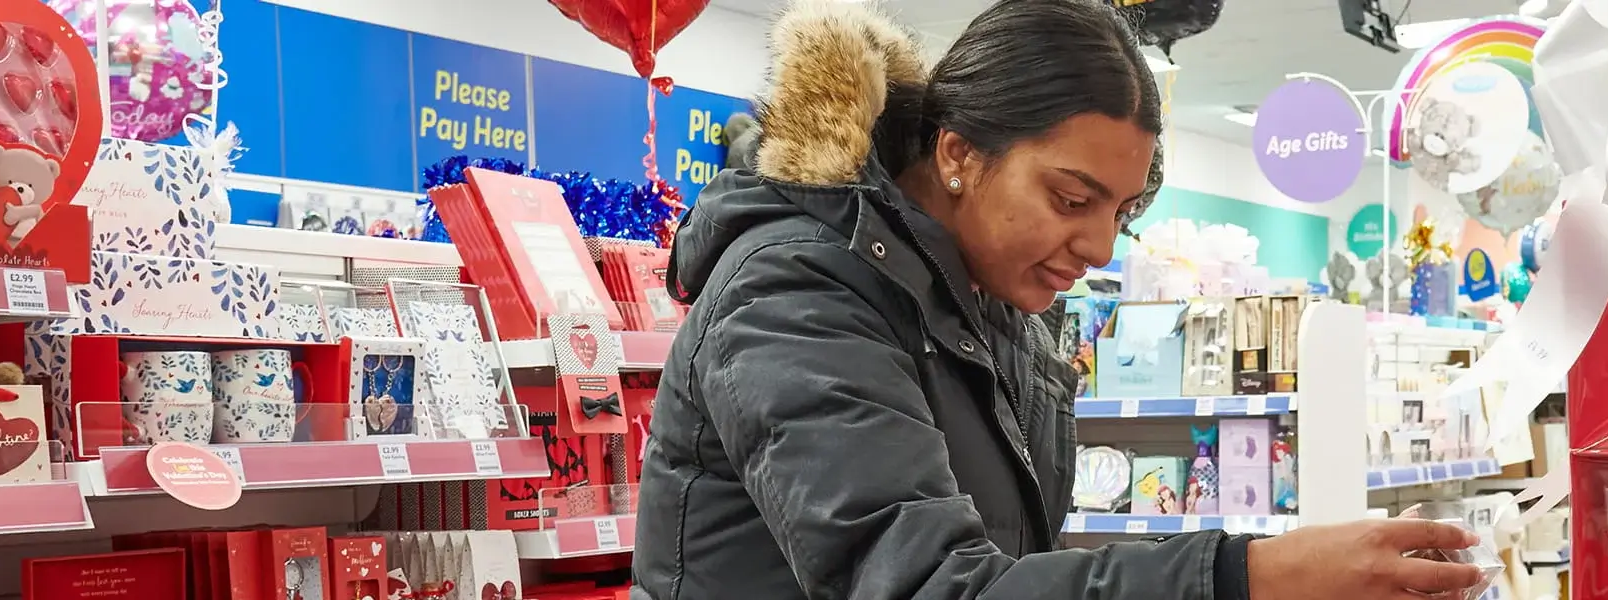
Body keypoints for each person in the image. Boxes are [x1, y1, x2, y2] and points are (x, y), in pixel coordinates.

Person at [632, 1, 1490, 599]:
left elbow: (1005, 561)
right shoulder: (794, 291)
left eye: (1122, 211)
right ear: (961, 153)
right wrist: (1251, 576)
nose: (1100, 246)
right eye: (1072, 200)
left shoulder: (993, 301)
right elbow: (926, 587)